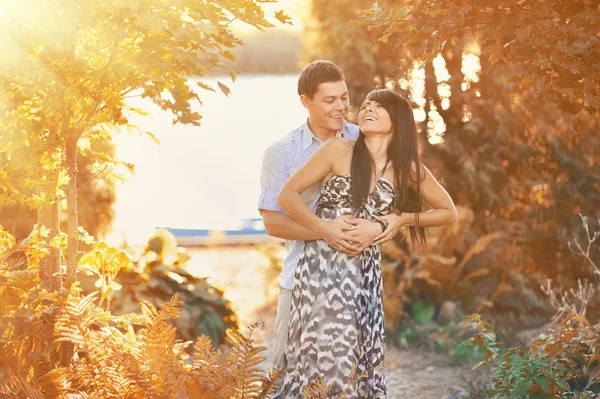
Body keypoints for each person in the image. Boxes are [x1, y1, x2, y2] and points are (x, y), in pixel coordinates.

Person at [276, 89, 458, 398]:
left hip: (364, 274)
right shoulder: (337, 150)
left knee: (354, 356)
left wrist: (401, 219)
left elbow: (447, 212)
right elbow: (287, 195)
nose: (367, 109)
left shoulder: (409, 171)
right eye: (366, 105)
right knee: (323, 353)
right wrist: (325, 229)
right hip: (322, 267)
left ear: (397, 119)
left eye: (378, 106)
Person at [258, 61, 386, 374]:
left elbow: (397, 193)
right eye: (329, 100)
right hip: (300, 278)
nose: (341, 107)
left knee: (355, 375)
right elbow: (273, 222)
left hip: (356, 279)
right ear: (306, 101)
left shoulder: (366, 140)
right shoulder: (281, 152)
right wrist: (326, 231)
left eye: (344, 97)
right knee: (290, 373)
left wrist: (386, 224)